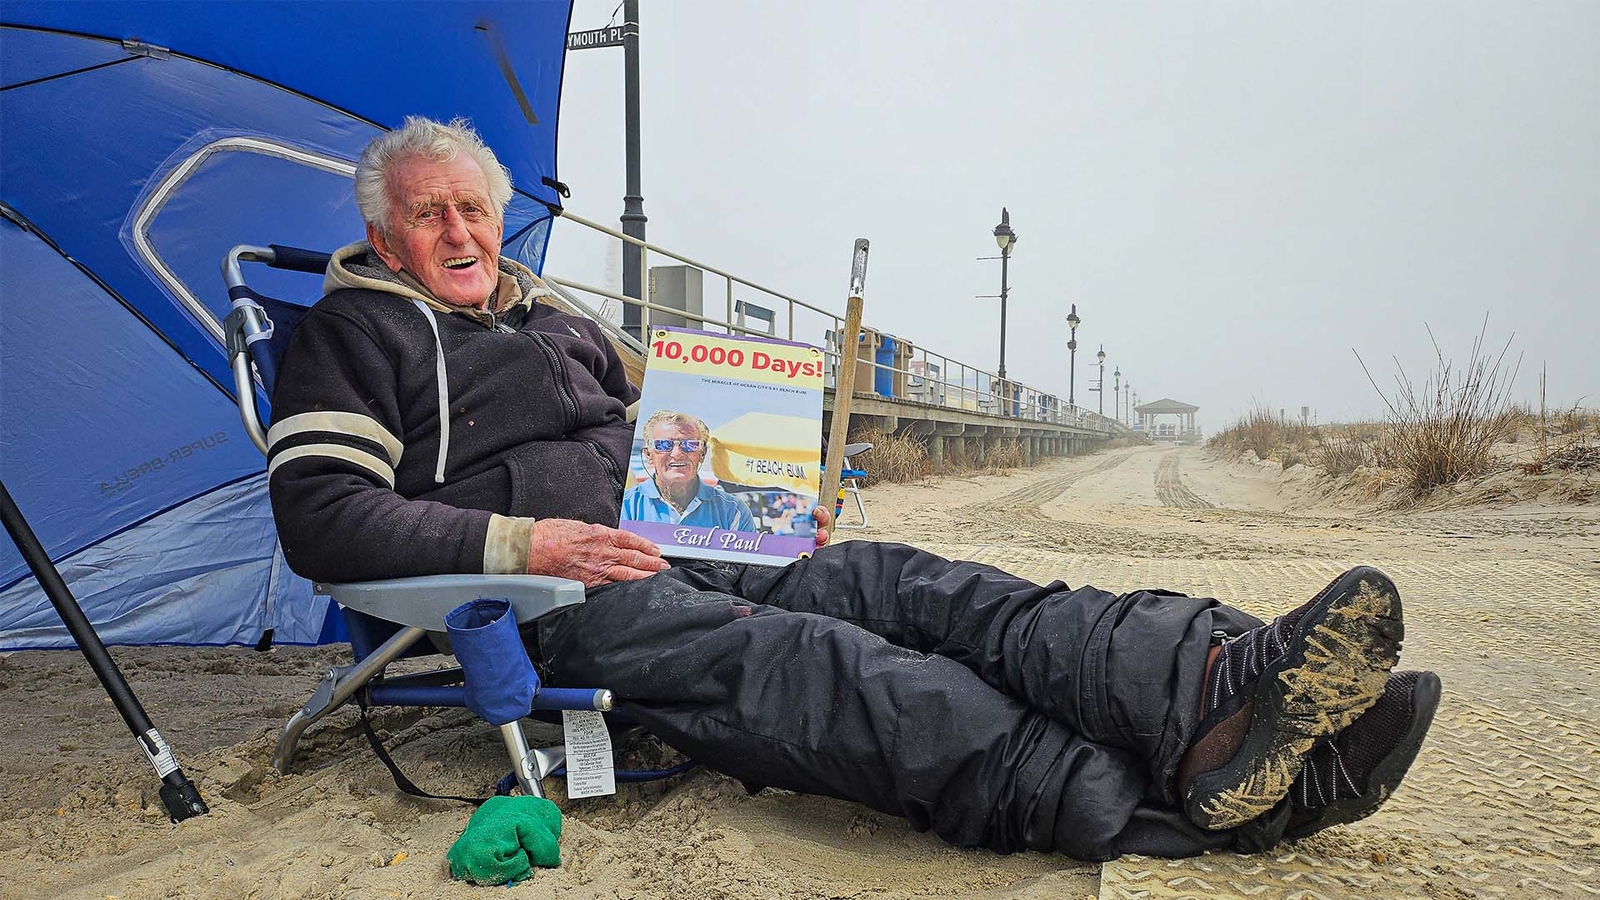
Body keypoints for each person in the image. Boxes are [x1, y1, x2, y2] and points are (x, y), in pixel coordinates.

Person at [267, 117, 1439, 861]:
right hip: (562, 595)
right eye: (430, 211)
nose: (461, 229)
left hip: (689, 533)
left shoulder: (556, 317)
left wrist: (764, 493)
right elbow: (320, 517)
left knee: (923, 586)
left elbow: (688, 426)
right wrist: (531, 545)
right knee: (825, 668)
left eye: (473, 205)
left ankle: (1217, 683)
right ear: (383, 227)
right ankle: (1227, 797)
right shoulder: (347, 336)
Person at [620, 410, 758, 531]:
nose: (677, 453)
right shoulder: (625, 505)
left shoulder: (734, 511)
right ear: (648, 455)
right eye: (664, 444)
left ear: (702, 454)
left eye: (689, 445)